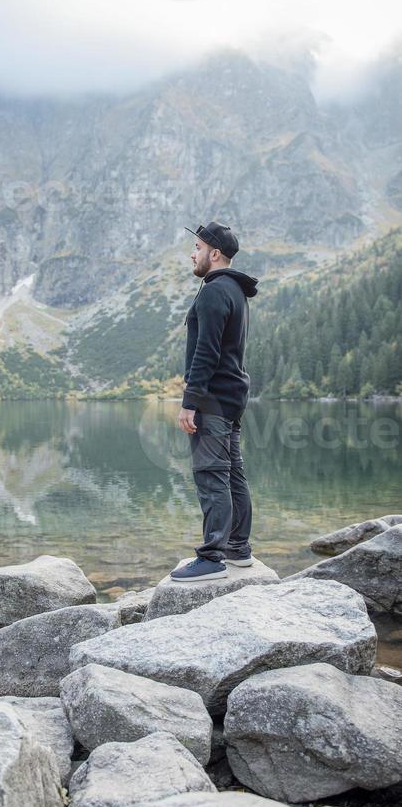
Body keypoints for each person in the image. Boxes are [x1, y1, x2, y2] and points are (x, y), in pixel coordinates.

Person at [170, 221, 258, 582]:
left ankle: (212, 558)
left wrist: (190, 401)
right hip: (231, 398)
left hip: (211, 400)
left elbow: (206, 353)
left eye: (198, 247)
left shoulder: (212, 292)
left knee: (211, 475)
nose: (193, 253)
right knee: (232, 473)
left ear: (215, 253)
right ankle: (238, 549)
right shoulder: (234, 291)